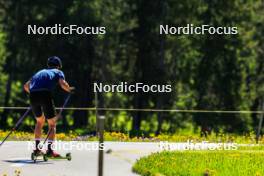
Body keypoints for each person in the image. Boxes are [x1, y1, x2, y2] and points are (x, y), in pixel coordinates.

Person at [24, 56, 74, 157]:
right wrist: (70, 90)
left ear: (48, 65)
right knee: (52, 124)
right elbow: (62, 83)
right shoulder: (58, 72)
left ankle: (37, 149)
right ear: (59, 66)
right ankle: (50, 151)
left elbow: (26, 86)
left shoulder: (40, 72)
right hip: (45, 94)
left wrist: (34, 95)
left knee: (39, 121)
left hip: (33, 94)